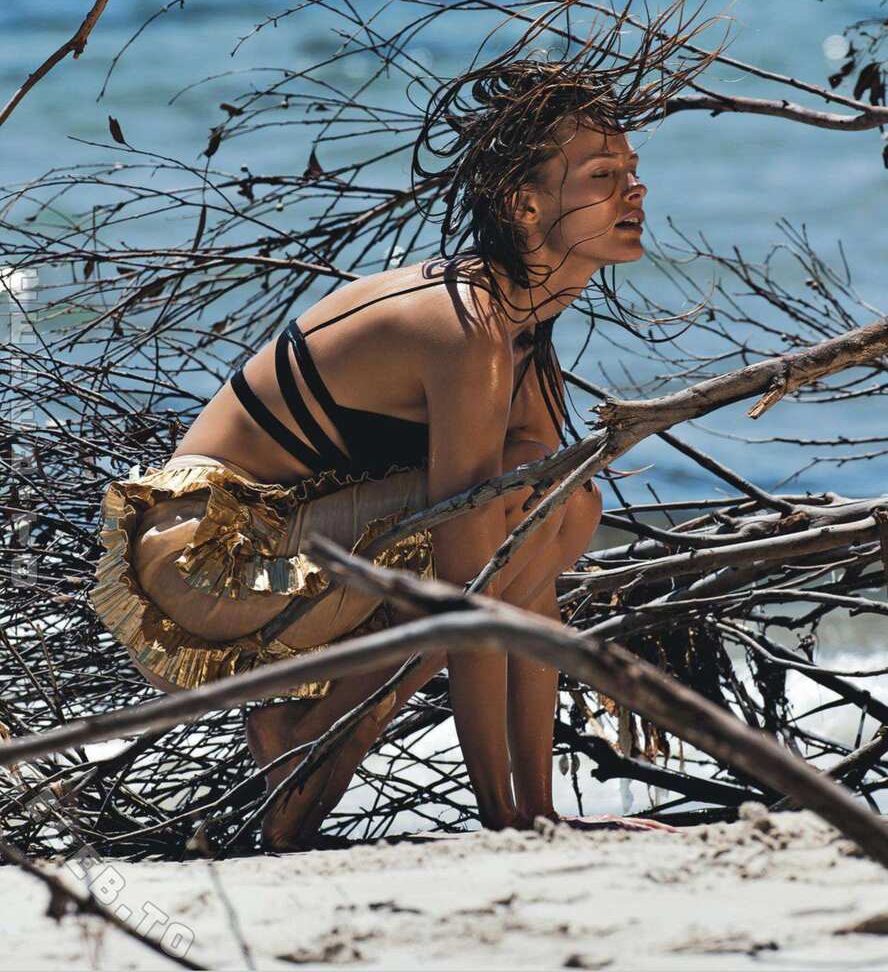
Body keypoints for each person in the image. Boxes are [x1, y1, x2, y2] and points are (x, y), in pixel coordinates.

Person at [90, 59, 650, 850]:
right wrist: (499, 821)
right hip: (206, 565)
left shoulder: (522, 334)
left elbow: (522, 582)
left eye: (632, 169)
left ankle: (360, 750)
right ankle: (314, 740)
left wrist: (539, 816)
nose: (634, 190)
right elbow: (469, 587)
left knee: (565, 501)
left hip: (293, 554)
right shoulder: (467, 327)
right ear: (526, 206)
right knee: (516, 505)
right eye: (603, 175)